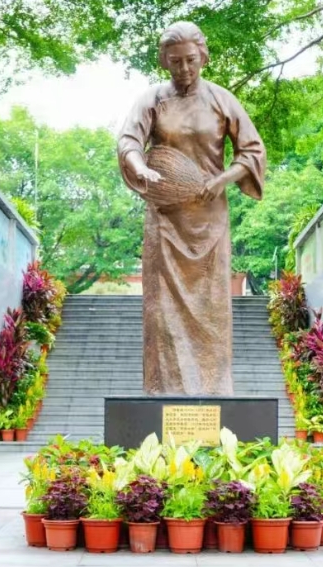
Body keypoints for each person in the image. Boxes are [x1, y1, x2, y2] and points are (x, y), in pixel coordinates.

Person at [116, 21, 266, 395]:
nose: (184, 68)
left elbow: (252, 151)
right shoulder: (152, 99)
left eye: (190, 60)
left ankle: (213, 393)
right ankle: (164, 393)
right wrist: (140, 167)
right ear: (164, 61)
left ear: (203, 57)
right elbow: (129, 141)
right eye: (175, 61)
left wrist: (223, 179)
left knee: (212, 309)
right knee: (161, 312)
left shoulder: (222, 99)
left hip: (209, 217)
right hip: (166, 217)